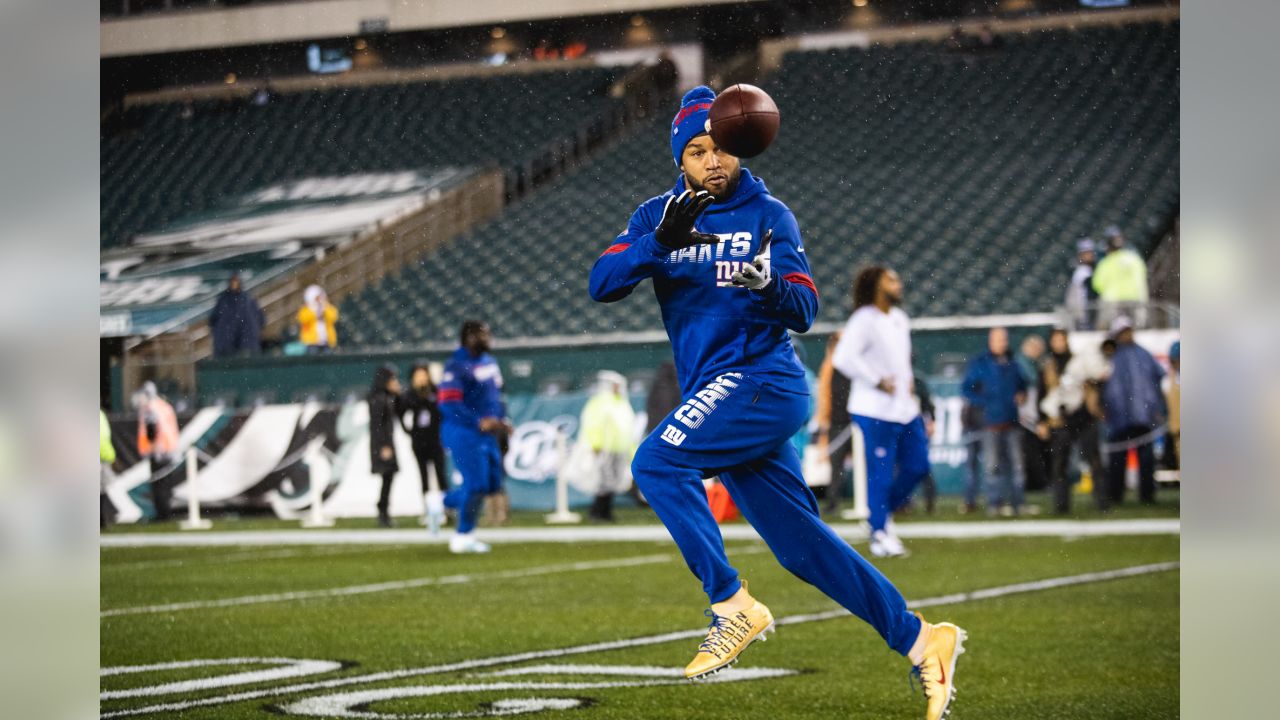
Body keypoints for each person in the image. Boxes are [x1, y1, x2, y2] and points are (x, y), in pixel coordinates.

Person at [588, 86, 965, 718]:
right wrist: (656, 242)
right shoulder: (657, 215)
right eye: (698, 151)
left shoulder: (771, 215)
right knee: (802, 548)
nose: (712, 161)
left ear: (742, 146)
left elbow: (806, 307)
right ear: (681, 160)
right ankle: (925, 640)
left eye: (722, 148)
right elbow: (602, 284)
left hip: (764, 381)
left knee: (656, 463)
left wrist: (767, 285)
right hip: (721, 395)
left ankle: (731, 605)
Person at [831, 266, 930, 558]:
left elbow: (902, 360)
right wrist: (875, 379)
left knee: (918, 466)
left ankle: (880, 515)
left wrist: (907, 380)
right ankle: (879, 533)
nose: (898, 284)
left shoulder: (899, 318)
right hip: (874, 409)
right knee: (880, 474)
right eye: (891, 279)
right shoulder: (863, 320)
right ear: (876, 285)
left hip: (904, 407)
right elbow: (843, 358)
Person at [438, 321, 511, 554]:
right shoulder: (456, 365)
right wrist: (476, 421)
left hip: (487, 432)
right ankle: (463, 535)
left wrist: (502, 419)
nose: (488, 338)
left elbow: (495, 396)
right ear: (469, 337)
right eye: (483, 334)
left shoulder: (489, 362)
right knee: (476, 485)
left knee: (491, 485)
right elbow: (448, 403)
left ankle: (442, 501)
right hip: (463, 430)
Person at [962, 327, 1028, 516]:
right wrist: (986, 404)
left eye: (1003, 339)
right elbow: (967, 389)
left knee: (1016, 466)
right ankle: (995, 504)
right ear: (990, 341)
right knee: (992, 466)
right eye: (997, 339)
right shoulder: (980, 363)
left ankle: (1017, 503)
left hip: (1011, 422)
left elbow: (1022, 386)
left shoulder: (1013, 363)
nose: (1001, 343)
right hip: (989, 423)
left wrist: (1021, 396)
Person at [1100, 316, 1165, 505]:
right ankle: (1116, 495)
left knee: (1146, 459)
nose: (1126, 335)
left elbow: (1156, 381)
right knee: (1117, 459)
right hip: (1118, 415)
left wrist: (1156, 408)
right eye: (1122, 332)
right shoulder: (1109, 355)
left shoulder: (1143, 354)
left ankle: (1147, 495)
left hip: (1142, 415)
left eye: (1128, 331)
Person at [579, 370, 637, 522]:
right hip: (604, 449)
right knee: (604, 482)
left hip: (619, 449)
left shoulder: (622, 402)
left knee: (613, 481)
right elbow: (593, 424)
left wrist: (631, 450)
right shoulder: (599, 402)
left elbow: (628, 428)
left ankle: (605, 512)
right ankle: (597, 512)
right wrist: (596, 444)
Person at [399, 362, 447, 534]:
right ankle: (428, 510)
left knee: (441, 476)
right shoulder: (409, 395)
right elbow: (401, 413)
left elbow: (442, 412)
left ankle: (445, 509)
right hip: (419, 442)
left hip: (435, 440)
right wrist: (409, 431)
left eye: (423, 374)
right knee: (424, 477)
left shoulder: (435, 391)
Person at [815, 330, 853, 515]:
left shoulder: (842, 365)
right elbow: (826, 397)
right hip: (839, 421)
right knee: (836, 466)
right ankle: (833, 502)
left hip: (848, 421)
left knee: (840, 465)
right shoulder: (832, 366)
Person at [134, 381, 179, 522]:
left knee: (159, 485)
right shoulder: (164, 405)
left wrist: (153, 448)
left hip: (158, 451)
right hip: (169, 449)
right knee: (165, 484)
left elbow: (152, 430)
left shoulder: (149, 407)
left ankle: (162, 514)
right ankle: (166, 512)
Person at [1092, 225, 1149, 328]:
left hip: (1113, 302)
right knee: (1134, 331)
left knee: (1115, 334)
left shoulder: (1105, 262)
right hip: (1134, 300)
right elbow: (1142, 276)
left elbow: (1097, 284)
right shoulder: (1134, 258)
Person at [368, 364, 402, 528]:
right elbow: (377, 426)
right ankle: (383, 512)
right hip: (384, 445)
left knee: (388, 478)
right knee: (387, 478)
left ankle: (384, 511)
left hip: (385, 444)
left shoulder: (384, 397)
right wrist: (384, 446)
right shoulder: (379, 399)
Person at [1016, 334, 1048, 496]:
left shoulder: (1034, 364)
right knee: (1029, 452)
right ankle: (1035, 483)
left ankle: (1035, 483)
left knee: (1032, 451)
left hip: (1032, 414)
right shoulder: (1023, 364)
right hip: (1025, 414)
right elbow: (1030, 383)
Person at [209, 273, 265, 358]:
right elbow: (214, 320)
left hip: (245, 344)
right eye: (232, 281)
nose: (234, 284)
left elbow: (259, 319)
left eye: (236, 281)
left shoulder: (247, 300)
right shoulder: (224, 300)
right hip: (226, 346)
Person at [1064, 238, 1099, 330]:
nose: (1089, 255)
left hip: (1093, 313)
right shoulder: (1079, 273)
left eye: (1090, 252)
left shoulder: (1095, 269)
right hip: (1083, 315)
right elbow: (1076, 298)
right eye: (1085, 253)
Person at [298, 285, 339, 353]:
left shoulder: (326, 307)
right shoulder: (306, 309)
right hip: (312, 342)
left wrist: (324, 307)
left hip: (327, 341)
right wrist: (314, 309)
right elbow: (303, 319)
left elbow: (334, 317)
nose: (318, 300)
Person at [100, 408, 117, 529]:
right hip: (104, 455)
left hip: (103, 456)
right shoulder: (101, 414)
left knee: (102, 489)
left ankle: (101, 519)